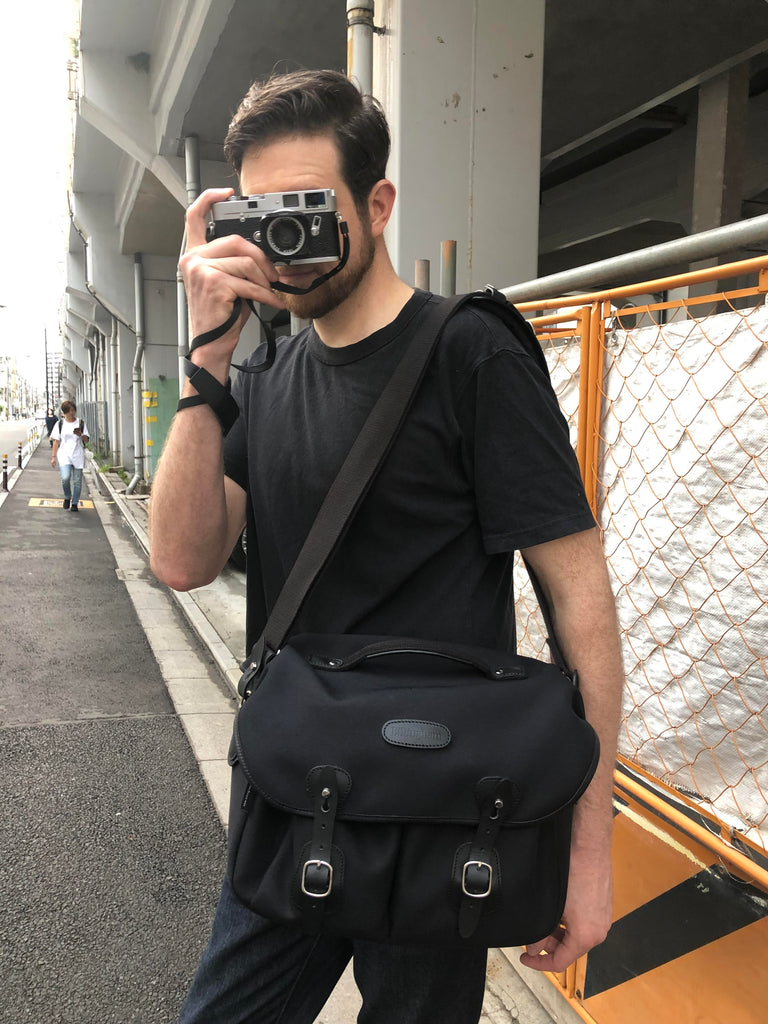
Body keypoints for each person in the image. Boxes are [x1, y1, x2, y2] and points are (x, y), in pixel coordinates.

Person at [150, 69, 624, 1024]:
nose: (283, 245)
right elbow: (181, 560)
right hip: (293, 798)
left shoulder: (470, 353)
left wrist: (588, 849)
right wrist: (204, 356)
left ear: (377, 204)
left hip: (439, 819)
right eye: (261, 214)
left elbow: (582, 599)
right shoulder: (270, 372)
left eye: (308, 212)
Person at [50, 400, 89, 511]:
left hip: (77, 454)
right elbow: (56, 441)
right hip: (64, 455)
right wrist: (53, 457)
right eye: (69, 411)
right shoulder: (60, 424)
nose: (71, 413)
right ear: (64, 412)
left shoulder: (80, 423)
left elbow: (87, 439)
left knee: (77, 481)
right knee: (65, 478)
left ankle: (75, 503)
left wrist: (81, 435)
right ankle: (67, 496)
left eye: (73, 410)